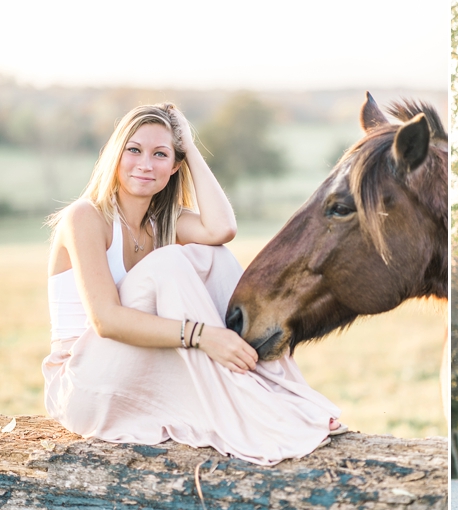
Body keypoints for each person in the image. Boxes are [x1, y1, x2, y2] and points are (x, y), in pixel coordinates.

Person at [42, 103, 345, 465]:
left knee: (213, 256)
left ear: (174, 167)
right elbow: (106, 321)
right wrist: (203, 336)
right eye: (134, 150)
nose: (145, 164)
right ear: (115, 155)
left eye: (160, 154)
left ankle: (272, 388)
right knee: (170, 262)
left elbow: (222, 230)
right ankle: (253, 401)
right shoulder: (86, 217)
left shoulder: (162, 224)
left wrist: (191, 147)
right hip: (81, 384)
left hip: (131, 372)